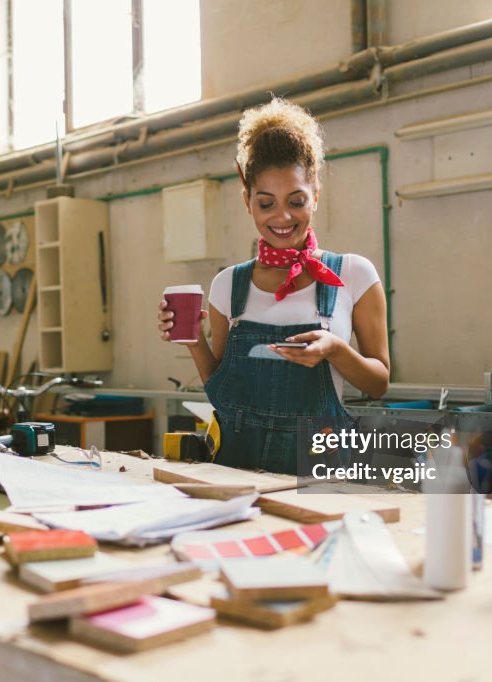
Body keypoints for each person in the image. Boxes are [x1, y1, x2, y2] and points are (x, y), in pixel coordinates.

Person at [158, 97, 389, 474]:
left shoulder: (354, 275)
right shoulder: (227, 285)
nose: (282, 217)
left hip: (318, 473)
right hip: (235, 470)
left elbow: (379, 383)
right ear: (247, 200)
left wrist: (335, 350)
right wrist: (193, 340)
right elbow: (221, 392)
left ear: (315, 195)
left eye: (296, 201)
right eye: (266, 204)